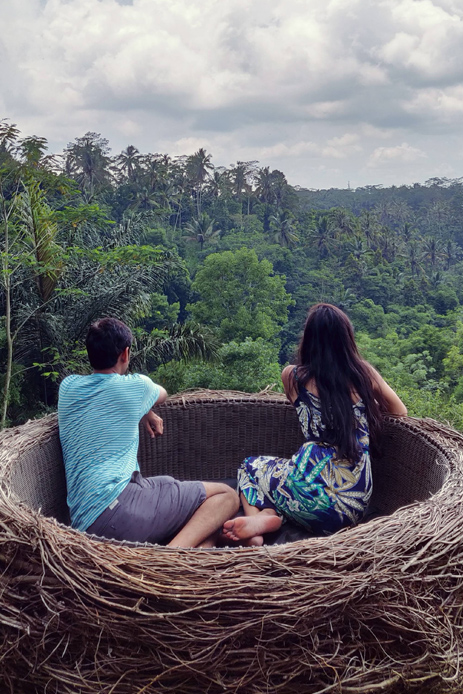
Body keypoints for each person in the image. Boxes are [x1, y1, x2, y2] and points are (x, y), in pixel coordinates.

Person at [222, 303, 407, 547]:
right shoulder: (364, 374)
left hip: (309, 499)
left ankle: (260, 519)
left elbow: (304, 407)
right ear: (346, 339)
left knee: (250, 466)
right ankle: (269, 516)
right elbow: (400, 411)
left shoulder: (292, 377)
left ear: (308, 339)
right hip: (354, 505)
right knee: (290, 478)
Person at [58, 317, 239, 548]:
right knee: (226, 496)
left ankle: (201, 549)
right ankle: (171, 557)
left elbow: (105, 400)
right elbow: (162, 393)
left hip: (85, 523)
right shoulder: (137, 387)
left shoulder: (68, 387)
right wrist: (146, 408)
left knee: (166, 483)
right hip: (117, 512)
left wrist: (143, 411)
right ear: (125, 353)